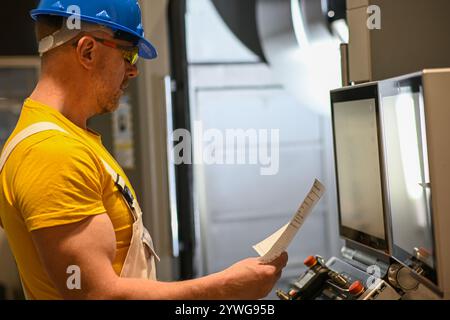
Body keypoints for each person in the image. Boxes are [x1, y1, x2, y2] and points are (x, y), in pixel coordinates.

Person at [0, 0, 288, 300]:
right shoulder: (52, 152)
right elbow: (96, 295)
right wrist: (226, 287)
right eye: (129, 55)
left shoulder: (69, 139)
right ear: (87, 51)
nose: (133, 71)